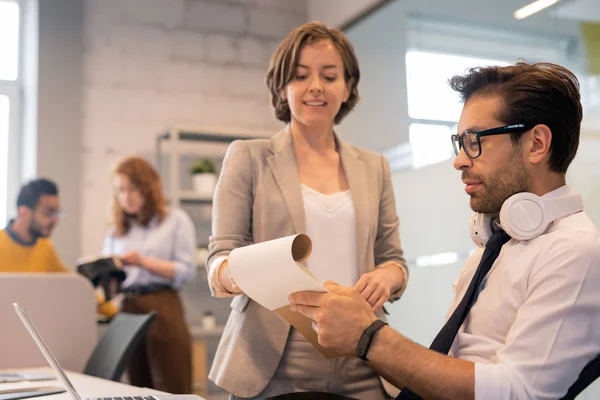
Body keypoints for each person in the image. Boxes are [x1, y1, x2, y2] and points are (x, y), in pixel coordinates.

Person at [289, 61, 600, 400]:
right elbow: (444, 369)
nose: (460, 160)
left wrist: (369, 335)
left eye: (474, 141)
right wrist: (360, 332)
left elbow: (518, 392)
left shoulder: (575, 252)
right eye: (460, 143)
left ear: (537, 144)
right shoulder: (496, 246)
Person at [206, 21, 408, 399]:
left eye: (329, 76)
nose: (315, 86)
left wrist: (387, 277)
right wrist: (247, 271)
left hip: (362, 348)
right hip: (273, 357)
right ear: (283, 87)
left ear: (347, 87)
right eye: (301, 76)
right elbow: (219, 263)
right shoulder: (248, 158)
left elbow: (395, 261)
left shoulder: (374, 166)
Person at [102, 156, 196, 393]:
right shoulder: (116, 231)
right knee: (137, 386)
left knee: (172, 382)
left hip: (162, 305)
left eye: (133, 188)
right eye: (121, 190)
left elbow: (187, 270)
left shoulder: (175, 220)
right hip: (127, 308)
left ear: (148, 188)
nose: (127, 196)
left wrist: (144, 262)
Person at [0, 178, 67, 272]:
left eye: (56, 213)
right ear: (24, 213)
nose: (55, 220)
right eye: (48, 213)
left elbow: (65, 283)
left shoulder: (45, 247)